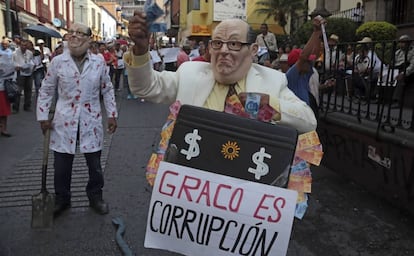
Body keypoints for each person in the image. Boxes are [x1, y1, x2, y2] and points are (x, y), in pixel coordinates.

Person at [125, 12, 316, 133]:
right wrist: (141, 51)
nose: (223, 50)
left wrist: (271, 106)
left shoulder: (273, 80)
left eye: (233, 44)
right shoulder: (189, 72)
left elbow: (308, 121)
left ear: (253, 50)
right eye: (217, 43)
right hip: (194, 184)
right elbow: (146, 87)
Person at [36, 23, 118, 217]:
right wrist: (42, 116)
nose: (74, 36)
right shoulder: (58, 62)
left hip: (91, 118)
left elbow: (107, 89)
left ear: (89, 39)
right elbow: (46, 89)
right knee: (62, 165)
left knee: (94, 165)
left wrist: (112, 114)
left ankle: (95, 197)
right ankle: (62, 199)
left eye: (79, 33)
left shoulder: (98, 62)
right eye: (71, 33)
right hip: (64, 119)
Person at [285, 16, 324, 114]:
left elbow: (314, 54)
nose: (310, 63)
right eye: (307, 62)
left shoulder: (305, 75)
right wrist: (315, 32)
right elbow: (303, 57)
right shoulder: (291, 76)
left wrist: (319, 32)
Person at [13, 38, 34, 112]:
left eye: (25, 45)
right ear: (20, 45)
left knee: (28, 90)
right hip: (20, 73)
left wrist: (31, 66)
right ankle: (16, 107)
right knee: (18, 90)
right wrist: (16, 66)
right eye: (22, 45)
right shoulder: (15, 53)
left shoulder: (29, 53)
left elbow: (31, 61)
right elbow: (13, 62)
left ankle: (27, 106)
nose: (24, 47)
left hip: (28, 73)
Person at [392, 34, 414, 106]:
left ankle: (396, 100)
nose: (401, 44)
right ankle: (377, 96)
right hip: (398, 68)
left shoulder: (413, 51)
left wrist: (403, 73)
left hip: (409, 71)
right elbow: (393, 62)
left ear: (408, 43)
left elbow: (412, 66)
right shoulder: (398, 52)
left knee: (401, 78)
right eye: (400, 42)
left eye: (403, 42)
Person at [0, 38, 15, 137]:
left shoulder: (11, 53)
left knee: (4, 109)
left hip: (5, 85)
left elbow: (13, 67)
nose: (5, 46)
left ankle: (4, 129)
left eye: (6, 44)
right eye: (3, 44)